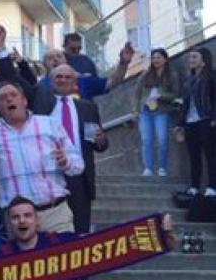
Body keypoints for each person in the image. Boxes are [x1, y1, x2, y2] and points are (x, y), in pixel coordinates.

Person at [0, 81, 84, 233]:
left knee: (63, 256)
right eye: (3, 98)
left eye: (13, 95)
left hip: (55, 214)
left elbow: (78, 166)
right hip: (18, 220)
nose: (9, 99)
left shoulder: (50, 124)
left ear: (24, 101)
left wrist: (66, 162)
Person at [34, 65, 108, 233]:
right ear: (51, 81)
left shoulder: (87, 107)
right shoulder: (42, 105)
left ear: (74, 82)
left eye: (68, 77)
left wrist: (101, 140)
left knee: (81, 229)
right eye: (59, 76)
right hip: (51, 176)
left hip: (81, 178)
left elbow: (99, 144)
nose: (63, 80)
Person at [133, 48, 180, 177]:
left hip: (161, 111)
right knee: (146, 139)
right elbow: (137, 93)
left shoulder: (172, 75)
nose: (156, 60)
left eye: (159, 57)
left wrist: (161, 95)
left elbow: (176, 94)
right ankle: (147, 167)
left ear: (165, 59)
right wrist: (135, 109)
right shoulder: (146, 74)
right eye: (153, 58)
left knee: (162, 139)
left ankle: (162, 167)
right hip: (145, 111)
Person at [36, 43, 133, 102]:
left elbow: (113, 82)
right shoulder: (40, 87)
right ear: (45, 65)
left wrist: (123, 63)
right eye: (50, 58)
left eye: (59, 56)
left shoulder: (82, 80)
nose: (55, 59)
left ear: (66, 61)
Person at [180, 47, 216, 197]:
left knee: (211, 155)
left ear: (203, 60)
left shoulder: (212, 77)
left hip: (206, 120)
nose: (191, 60)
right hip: (191, 122)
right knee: (194, 156)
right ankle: (194, 186)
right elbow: (186, 103)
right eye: (190, 58)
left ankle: (212, 186)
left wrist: (214, 118)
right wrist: (180, 124)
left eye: (194, 57)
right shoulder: (189, 80)